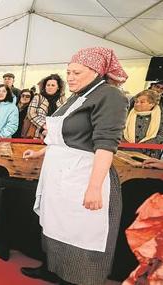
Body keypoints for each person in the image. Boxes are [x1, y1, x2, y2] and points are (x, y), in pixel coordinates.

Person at [21, 47, 129, 285]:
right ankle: (52, 268)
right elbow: (64, 138)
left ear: (96, 71)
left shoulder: (110, 96)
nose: (70, 77)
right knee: (55, 223)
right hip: (59, 174)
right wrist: (40, 151)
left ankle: (77, 278)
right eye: (68, 72)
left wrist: (94, 187)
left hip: (83, 175)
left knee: (80, 231)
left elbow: (106, 144)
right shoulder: (76, 97)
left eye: (76, 72)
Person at [122, 89, 163, 158]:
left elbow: (161, 136)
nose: (137, 104)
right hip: (124, 152)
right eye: (136, 101)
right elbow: (119, 130)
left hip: (149, 155)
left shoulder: (160, 117)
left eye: (142, 102)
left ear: (152, 104)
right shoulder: (126, 114)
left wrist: (141, 147)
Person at [25, 74, 66, 138]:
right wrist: (44, 126)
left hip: (56, 134)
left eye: (53, 85)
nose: (50, 87)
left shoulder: (62, 99)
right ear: (45, 86)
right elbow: (31, 113)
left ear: (58, 87)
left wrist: (54, 128)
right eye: (48, 85)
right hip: (38, 134)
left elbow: (65, 116)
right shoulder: (38, 97)